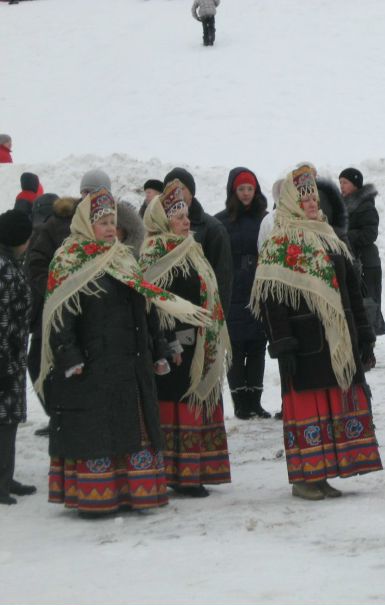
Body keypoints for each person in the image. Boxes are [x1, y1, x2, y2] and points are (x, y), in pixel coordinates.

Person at [37, 189, 209, 516]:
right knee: (97, 429)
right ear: (86, 223)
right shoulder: (69, 260)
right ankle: (97, 496)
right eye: (101, 222)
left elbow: (146, 310)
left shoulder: (124, 257)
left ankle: (133, 492)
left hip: (130, 364)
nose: (108, 228)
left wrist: (158, 349)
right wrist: (69, 356)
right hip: (91, 366)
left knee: (132, 427)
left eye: (112, 222)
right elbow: (59, 316)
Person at [252, 163, 382, 501]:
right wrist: (282, 344)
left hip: (336, 342)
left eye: (315, 198)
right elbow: (270, 300)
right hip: (304, 345)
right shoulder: (280, 243)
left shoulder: (331, 238)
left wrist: (364, 335)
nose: (312, 204)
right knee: (310, 410)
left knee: (332, 408)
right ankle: (305, 478)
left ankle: (323, 474)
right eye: (305, 198)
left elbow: (353, 293)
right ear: (292, 202)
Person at [141, 180, 232, 497]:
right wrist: (170, 344)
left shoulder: (192, 248)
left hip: (201, 342)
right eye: (178, 217)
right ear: (163, 221)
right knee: (176, 404)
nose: (186, 221)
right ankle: (179, 473)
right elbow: (152, 304)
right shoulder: (153, 254)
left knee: (197, 399)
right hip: (175, 346)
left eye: (185, 215)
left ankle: (197, 470)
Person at [25, 169, 111, 437]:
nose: (91, 198)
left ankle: (90, 417)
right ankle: (57, 414)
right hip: (55, 310)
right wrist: (58, 289)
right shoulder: (56, 224)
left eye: (98, 193)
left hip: (101, 312)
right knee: (41, 362)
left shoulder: (113, 222)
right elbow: (36, 264)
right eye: (87, 192)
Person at [214, 168, 271, 420]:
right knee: (234, 348)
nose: (246, 194)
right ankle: (240, 402)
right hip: (232, 289)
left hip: (259, 289)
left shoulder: (266, 219)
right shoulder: (221, 221)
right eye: (241, 189)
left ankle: (255, 401)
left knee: (258, 346)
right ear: (233, 192)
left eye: (250, 189)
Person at [0, 210, 36, 505]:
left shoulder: (10, 263)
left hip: (10, 355)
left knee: (8, 419)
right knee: (4, 420)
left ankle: (5, 477)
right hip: (5, 357)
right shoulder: (6, 270)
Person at [163, 167, 232, 314]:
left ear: (192, 193)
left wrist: (217, 315)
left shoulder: (212, 229)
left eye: (181, 189)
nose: (176, 194)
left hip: (200, 315)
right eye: (170, 189)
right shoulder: (158, 228)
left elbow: (223, 277)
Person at [339, 167, 385, 342]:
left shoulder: (366, 207)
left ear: (355, 185)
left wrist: (346, 235)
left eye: (345, 182)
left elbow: (370, 234)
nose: (341, 186)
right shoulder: (342, 206)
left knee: (369, 302)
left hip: (367, 263)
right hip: (351, 261)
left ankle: (369, 341)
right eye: (340, 182)